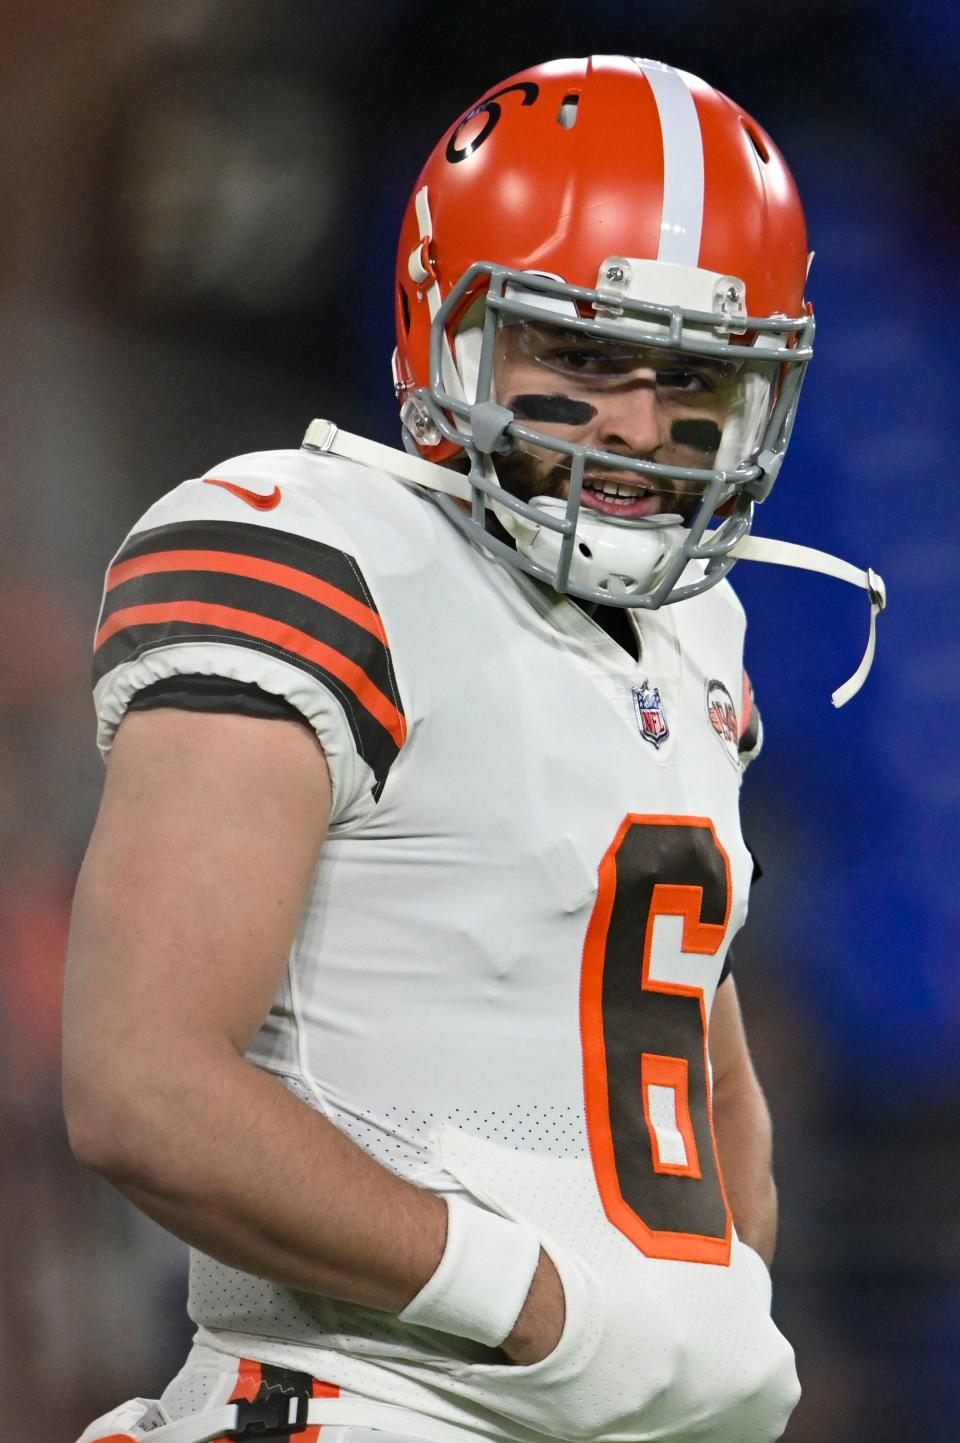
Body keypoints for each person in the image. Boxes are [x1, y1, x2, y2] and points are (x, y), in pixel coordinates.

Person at [64, 55, 882, 1443]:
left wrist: (698, 1333)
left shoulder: (698, 637)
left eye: (689, 376)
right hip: (365, 1407)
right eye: (575, 352)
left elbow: (678, 1048)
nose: (633, 422)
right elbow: (145, 1084)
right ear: (446, 328)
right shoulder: (315, 549)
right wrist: (544, 1310)